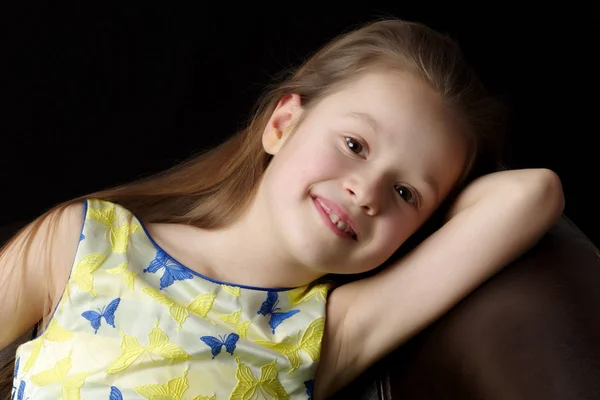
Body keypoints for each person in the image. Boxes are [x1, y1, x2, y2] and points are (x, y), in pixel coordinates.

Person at [0, 17, 564, 400]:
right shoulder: (83, 241)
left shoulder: (326, 331)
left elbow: (531, 194)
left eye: (404, 193)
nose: (366, 192)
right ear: (282, 123)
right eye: (354, 145)